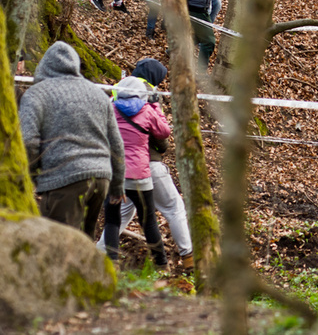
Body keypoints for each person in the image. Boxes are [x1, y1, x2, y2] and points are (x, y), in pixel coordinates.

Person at [19, 41, 125, 239]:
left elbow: (27, 141)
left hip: (64, 179)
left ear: (43, 67)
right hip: (101, 179)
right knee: (83, 244)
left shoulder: (36, 94)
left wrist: (32, 176)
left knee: (57, 246)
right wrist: (117, 185)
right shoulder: (98, 94)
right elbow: (116, 144)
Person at [97, 60, 194, 271]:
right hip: (147, 166)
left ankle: (97, 255)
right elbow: (162, 136)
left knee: (119, 217)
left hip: (117, 169)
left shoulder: (117, 93)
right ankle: (187, 256)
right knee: (172, 208)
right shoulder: (148, 96)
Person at [102, 76, 171, 268]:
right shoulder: (147, 111)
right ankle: (161, 264)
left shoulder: (111, 109)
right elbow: (164, 132)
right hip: (140, 176)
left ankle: (112, 263)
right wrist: (156, 106)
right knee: (148, 221)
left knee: (112, 220)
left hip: (115, 175)